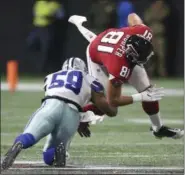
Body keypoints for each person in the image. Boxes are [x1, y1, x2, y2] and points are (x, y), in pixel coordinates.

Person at [68, 14, 184, 139]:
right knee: (110, 108)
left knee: (148, 90)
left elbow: (132, 16)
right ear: (131, 56)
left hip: (111, 45)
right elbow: (114, 100)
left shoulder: (143, 32)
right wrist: (141, 97)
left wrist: (146, 94)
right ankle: (78, 115)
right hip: (97, 55)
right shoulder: (118, 65)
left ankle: (158, 128)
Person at [2, 57, 118, 170]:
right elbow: (102, 105)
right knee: (49, 157)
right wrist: (113, 109)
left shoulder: (51, 76)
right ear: (84, 68)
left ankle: (20, 144)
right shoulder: (90, 79)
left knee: (30, 135)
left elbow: (64, 93)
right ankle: (59, 149)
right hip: (72, 114)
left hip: (51, 105)